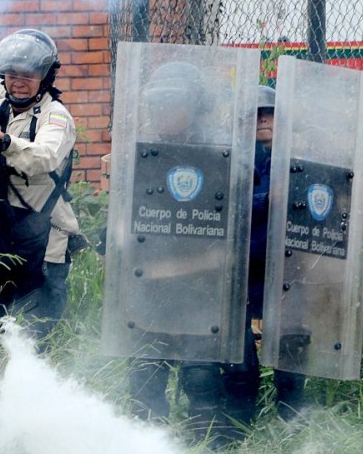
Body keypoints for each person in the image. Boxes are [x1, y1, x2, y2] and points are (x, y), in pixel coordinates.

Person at [124, 61, 252, 448]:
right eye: (157, 104)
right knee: (144, 376)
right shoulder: (141, 153)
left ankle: (209, 444)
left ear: (196, 105)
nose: (163, 112)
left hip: (203, 286)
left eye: (174, 103)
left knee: (201, 378)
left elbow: (239, 211)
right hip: (150, 285)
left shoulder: (221, 152)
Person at [0, 30, 79, 343]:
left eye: (29, 75)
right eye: (12, 74)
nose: (19, 82)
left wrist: (5, 142)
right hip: (0, 234)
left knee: (36, 328)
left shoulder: (57, 117)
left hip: (45, 234)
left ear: (45, 77)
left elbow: (46, 157)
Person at [249, 85, 306, 421]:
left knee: (289, 345)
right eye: (256, 114)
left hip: (287, 266)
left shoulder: (290, 156)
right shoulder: (251, 156)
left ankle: (291, 423)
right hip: (253, 264)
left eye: (268, 112)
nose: (263, 119)